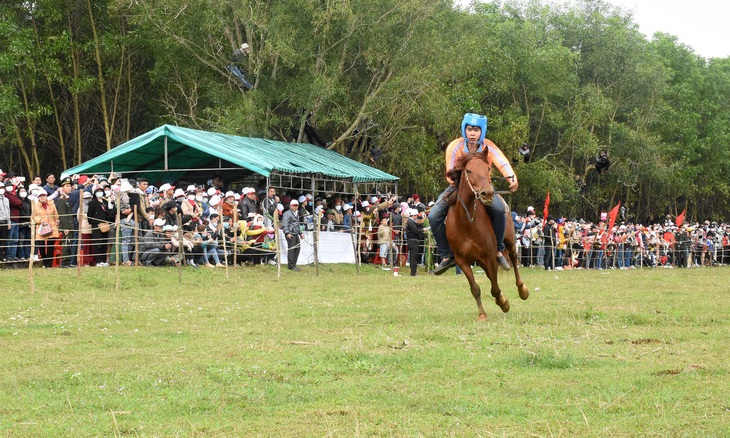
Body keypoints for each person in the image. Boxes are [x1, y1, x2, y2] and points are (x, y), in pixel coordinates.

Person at [429, 113, 519, 275]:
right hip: (458, 186)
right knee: (434, 215)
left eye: (476, 130)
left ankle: (498, 250)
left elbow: (502, 161)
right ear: (464, 129)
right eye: (469, 129)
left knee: (499, 210)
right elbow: (450, 173)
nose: (472, 133)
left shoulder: (488, 147)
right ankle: (447, 255)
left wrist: (511, 177)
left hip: (484, 187)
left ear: (482, 131)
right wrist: (464, 186)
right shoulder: (454, 147)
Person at [32, 191, 60, 268]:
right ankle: (44, 262)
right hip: (41, 227)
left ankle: (49, 264)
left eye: (43, 195)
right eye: (40, 196)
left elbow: (56, 215)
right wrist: (40, 221)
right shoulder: (35, 206)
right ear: (38, 197)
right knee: (41, 245)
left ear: (46, 196)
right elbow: (34, 216)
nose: (42, 197)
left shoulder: (52, 204)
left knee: (51, 246)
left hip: (51, 227)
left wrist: (57, 221)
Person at [55, 177, 77, 267]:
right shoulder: (61, 200)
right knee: (66, 244)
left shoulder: (66, 199)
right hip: (66, 226)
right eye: (67, 186)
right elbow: (62, 215)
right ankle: (64, 262)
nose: (69, 188)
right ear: (62, 188)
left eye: (70, 186)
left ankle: (68, 262)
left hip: (70, 225)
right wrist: (66, 228)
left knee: (69, 243)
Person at [282, 199, 304, 271]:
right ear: (290, 206)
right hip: (290, 233)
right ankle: (291, 265)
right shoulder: (287, 213)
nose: (295, 207)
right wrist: (287, 233)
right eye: (294, 205)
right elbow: (285, 224)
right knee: (291, 249)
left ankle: (293, 264)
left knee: (297, 248)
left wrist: (300, 233)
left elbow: (297, 225)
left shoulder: (296, 213)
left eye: (296, 205)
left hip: (295, 233)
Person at [404, 209, 424, 276]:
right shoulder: (411, 222)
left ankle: (414, 271)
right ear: (414, 215)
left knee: (414, 256)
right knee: (413, 256)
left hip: (412, 240)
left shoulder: (410, 221)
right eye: (416, 215)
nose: (417, 217)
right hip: (413, 240)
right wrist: (422, 230)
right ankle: (413, 272)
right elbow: (415, 231)